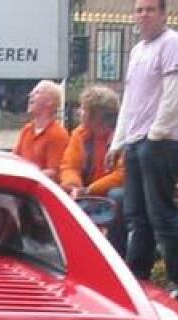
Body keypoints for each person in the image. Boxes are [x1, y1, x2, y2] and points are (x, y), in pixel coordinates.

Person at [108, 0, 178, 306]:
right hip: (138, 141)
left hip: (160, 143)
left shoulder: (173, 45)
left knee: (161, 213)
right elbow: (130, 102)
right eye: (139, 9)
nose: (143, 15)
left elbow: (174, 97)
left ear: (164, 13)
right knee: (138, 215)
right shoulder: (138, 51)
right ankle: (139, 278)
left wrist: (155, 135)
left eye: (150, 9)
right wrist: (118, 142)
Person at [60, 84, 127, 253]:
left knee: (118, 196)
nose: (78, 112)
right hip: (85, 193)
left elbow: (122, 175)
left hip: (109, 197)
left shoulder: (122, 138)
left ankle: (114, 253)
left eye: (83, 109)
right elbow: (69, 165)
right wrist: (73, 185)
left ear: (96, 115)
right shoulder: (79, 134)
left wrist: (90, 189)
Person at [13, 81, 69, 180]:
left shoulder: (58, 135)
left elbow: (54, 173)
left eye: (37, 92)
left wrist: (26, 176)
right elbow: (14, 160)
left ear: (50, 102)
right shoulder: (27, 130)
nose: (31, 95)